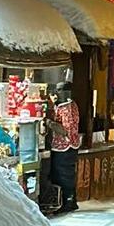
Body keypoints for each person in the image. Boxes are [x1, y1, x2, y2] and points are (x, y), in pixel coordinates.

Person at [47, 85, 81, 214]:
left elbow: (64, 130)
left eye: (59, 91)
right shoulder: (71, 105)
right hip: (66, 146)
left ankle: (68, 201)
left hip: (65, 146)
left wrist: (49, 123)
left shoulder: (67, 108)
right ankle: (69, 201)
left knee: (64, 175)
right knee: (64, 174)